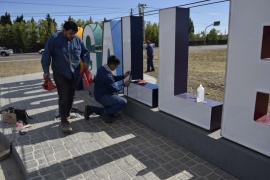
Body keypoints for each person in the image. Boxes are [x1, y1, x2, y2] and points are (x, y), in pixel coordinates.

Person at [41, 21, 90, 133]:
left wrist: (85, 61)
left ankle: (66, 114)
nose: (72, 36)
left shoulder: (77, 40)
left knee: (71, 95)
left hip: (75, 73)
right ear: (64, 31)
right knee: (63, 96)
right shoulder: (54, 39)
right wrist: (45, 71)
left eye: (74, 34)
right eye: (70, 33)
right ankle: (64, 122)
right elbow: (46, 55)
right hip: (60, 73)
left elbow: (85, 52)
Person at [84, 55, 131, 123]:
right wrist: (124, 85)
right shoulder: (107, 75)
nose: (116, 67)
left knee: (112, 108)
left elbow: (112, 78)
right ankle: (105, 113)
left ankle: (91, 109)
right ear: (111, 64)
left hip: (100, 94)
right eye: (116, 66)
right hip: (103, 96)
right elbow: (115, 89)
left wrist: (124, 76)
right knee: (123, 102)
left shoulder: (103, 69)